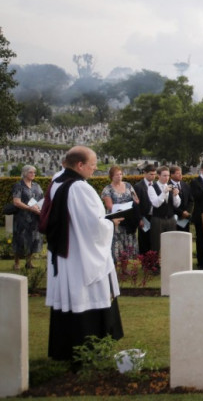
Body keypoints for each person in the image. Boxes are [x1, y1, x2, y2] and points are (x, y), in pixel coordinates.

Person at [44, 146, 124, 361]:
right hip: (82, 255)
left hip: (65, 253)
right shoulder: (80, 188)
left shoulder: (57, 182)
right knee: (87, 297)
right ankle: (91, 349)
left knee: (70, 300)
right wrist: (112, 222)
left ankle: (65, 350)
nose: (96, 168)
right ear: (79, 165)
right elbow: (93, 226)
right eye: (92, 164)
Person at [101, 166, 141, 262]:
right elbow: (109, 206)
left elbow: (137, 200)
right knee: (117, 243)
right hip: (117, 220)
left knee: (127, 242)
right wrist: (122, 207)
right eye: (116, 175)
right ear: (111, 176)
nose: (119, 177)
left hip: (129, 218)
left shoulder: (128, 185)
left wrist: (135, 201)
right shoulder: (107, 190)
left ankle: (124, 267)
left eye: (120, 174)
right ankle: (115, 266)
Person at [11, 165, 44, 270]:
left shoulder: (37, 186)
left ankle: (29, 262)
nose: (33, 174)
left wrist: (40, 209)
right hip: (22, 217)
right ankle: (17, 263)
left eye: (34, 172)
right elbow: (16, 202)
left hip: (35, 217)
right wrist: (30, 208)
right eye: (31, 172)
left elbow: (42, 200)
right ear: (25, 173)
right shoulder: (18, 185)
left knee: (33, 238)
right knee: (20, 239)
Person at [147, 165, 180, 253]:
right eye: (164, 175)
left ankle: (171, 264)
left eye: (168, 175)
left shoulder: (171, 186)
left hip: (170, 218)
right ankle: (156, 265)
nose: (167, 178)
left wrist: (176, 196)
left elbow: (176, 204)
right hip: (158, 219)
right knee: (156, 244)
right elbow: (156, 204)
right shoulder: (152, 188)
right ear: (158, 175)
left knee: (172, 243)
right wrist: (164, 192)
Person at [133, 163, 157, 254]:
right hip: (144, 217)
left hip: (155, 216)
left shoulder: (155, 185)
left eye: (154, 174)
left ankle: (154, 259)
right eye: (151, 174)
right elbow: (136, 205)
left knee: (153, 238)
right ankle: (144, 261)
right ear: (145, 173)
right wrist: (139, 219)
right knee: (144, 239)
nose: (153, 176)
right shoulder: (138, 186)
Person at [169, 165, 192, 232]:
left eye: (181, 173)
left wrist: (187, 212)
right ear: (171, 175)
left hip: (185, 217)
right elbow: (169, 203)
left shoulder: (185, 185)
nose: (180, 175)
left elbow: (191, 200)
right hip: (174, 217)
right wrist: (181, 213)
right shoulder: (168, 186)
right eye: (178, 173)